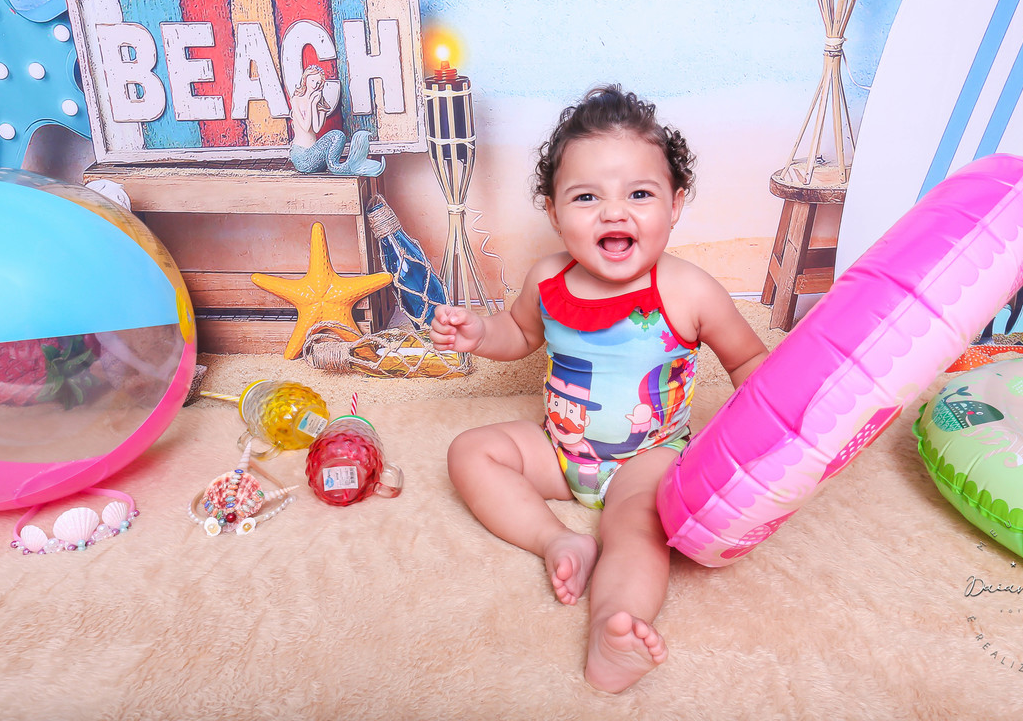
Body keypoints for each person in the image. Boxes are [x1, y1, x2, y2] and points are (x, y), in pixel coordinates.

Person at [430, 85, 768, 693]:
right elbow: (520, 333)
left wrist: (763, 441)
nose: (614, 213)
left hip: (649, 458)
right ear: (554, 212)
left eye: (639, 194)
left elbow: (749, 362)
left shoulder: (689, 290)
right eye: (587, 197)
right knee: (470, 452)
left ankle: (617, 629)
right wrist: (480, 334)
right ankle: (555, 539)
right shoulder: (547, 278)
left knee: (637, 531)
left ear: (675, 204)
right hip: (560, 449)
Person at [288, 65, 384, 177]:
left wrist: (314, 105)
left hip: (316, 158)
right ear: (305, 79)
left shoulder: (320, 104)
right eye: (312, 80)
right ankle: (338, 167)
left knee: (339, 136)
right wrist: (310, 103)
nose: (315, 85)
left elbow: (316, 128)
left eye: (318, 83)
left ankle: (342, 164)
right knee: (336, 135)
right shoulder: (296, 100)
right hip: (302, 157)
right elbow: (305, 126)